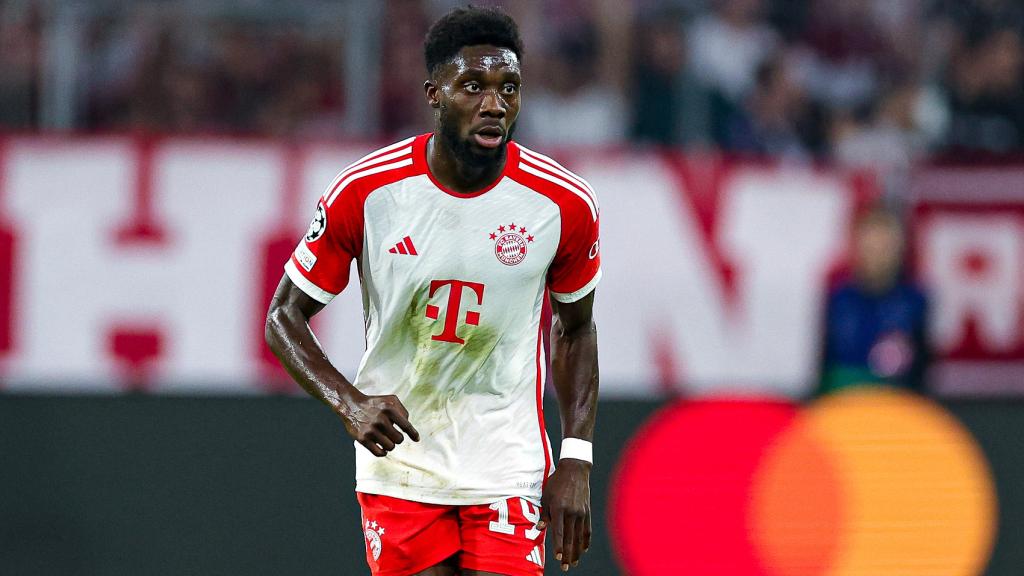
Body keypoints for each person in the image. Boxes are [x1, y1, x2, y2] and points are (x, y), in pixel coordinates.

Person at [264, 7, 601, 576]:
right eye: (474, 86)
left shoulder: (562, 204)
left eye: (509, 88)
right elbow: (283, 317)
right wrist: (349, 402)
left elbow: (575, 328)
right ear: (435, 94)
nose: (494, 104)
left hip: (506, 461)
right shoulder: (367, 191)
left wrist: (577, 458)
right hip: (401, 462)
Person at [818, 208, 930, 395]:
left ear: (900, 247)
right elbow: (821, 366)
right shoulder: (837, 300)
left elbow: (923, 373)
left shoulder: (915, 302)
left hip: (896, 407)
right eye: (871, 246)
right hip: (842, 404)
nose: (877, 255)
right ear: (857, 246)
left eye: (885, 247)